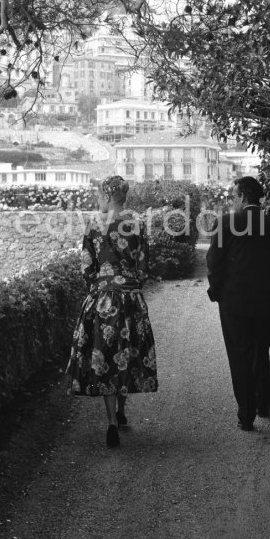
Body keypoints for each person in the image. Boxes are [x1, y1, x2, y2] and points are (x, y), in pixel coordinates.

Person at [66, 175, 158, 447]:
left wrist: (99, 285)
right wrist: (130, 284)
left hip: (103, 298)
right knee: (125, 353)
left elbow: (86, 266)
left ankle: (112, 423)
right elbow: (143, 267)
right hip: (130, 297)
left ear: (107, 196)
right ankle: (122, 409)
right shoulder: (136, 224)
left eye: (99, 195)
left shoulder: (94, 224)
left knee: (104, 353)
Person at [206, 176, 270, 431]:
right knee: (260, 349)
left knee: (240, 354)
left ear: (242, 197)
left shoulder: (227, 223)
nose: (232, 201)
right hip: (265, 298)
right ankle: (263, 402)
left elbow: (214, 262)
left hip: (235, 299)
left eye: (233, 196)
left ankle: (246, 414)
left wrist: (217, 290)